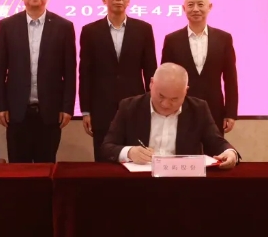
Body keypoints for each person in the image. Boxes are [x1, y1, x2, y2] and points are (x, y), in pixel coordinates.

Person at [0, 0, 77, 163]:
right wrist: (0, 106)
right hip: (16, 112)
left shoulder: (63, 26)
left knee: (46, 166)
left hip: (50, 112)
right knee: (18, 168)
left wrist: (67, 107)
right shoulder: (7, 25)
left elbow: (70, 72)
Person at [101, 63, 239, 169]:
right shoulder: (129, 107)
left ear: (186, 91)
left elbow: (216, 142)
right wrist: (129, 152)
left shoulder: (198, 109)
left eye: (174, 99)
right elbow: (107, 147)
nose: (166, 104)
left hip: (183, 181)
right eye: (161, 96)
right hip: (141, 182)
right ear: (151, 83)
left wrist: (230, 152)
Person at [79, 0, 157, 161]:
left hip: (135, 105)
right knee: (103, 157)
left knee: (136, 158)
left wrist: (152, 104)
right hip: (101, 106)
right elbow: (85, 73)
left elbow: (151, 71)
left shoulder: (144, 29)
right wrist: (86, 111)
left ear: (129, 0)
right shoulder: (90, 31)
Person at [161, 0, 238, 135]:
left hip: (214, 108)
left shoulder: (224, 39)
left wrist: (230, 112)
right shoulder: (172, 40)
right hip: (180, 108)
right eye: (190, 5)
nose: (195, 9)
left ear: (210, 7)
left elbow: (230, 78)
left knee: (213, 148)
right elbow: (165, 78)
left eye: (200, 4)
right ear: (184, 8)